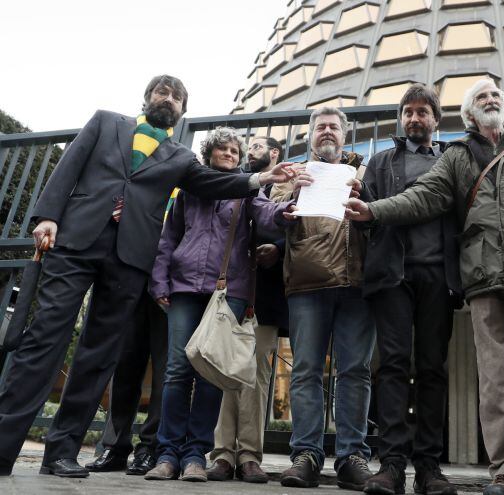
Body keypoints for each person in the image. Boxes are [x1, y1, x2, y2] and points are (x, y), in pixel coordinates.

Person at [0, 75, 295, 478]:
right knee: (45, 338)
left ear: (182, 111)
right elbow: (69, 166)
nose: (168, 99)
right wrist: (47, 215)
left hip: (130, 258)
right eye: (162, 92)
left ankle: (61, 451)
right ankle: (2, 444)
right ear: (147, 97)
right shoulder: (106, 122)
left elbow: (211, 183)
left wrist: (258, 179)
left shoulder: (180, 157)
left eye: (176, 97)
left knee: (99, 353)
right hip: (76, 240)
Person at [345, 78, 504, 495]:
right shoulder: (455, 157)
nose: (490, 100)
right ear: (467, 115)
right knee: (495, 377)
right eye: (480, 98)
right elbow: (423, 197)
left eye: (495, 95)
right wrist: (373, 210)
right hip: (484, 274)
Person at [144, 127, 292, 482]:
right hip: (183, 288)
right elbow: (169, 238)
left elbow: (269, 213)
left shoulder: (246, 189)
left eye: (233, 150)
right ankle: (167, 454)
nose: (228, 153)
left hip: (229, 290)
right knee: (177, 370)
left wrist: (290, 209)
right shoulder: (188, 191)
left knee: (211, 373)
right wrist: (159, 281)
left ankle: (196, 454)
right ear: (208, 153)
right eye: (221, 149)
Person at [355, 84, 461, 495]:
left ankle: (430, 467)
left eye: (423, 112)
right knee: (394, 366)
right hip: (393, 277)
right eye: (408, 112)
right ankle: (392, 464)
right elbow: (364, 218)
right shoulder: (379, 162)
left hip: (439, 276)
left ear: (436, 120)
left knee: (433, 368)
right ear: (401, 119)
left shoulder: (452, 161)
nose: (414, 118)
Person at [271, 107, 375, 491]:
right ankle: (307, 455)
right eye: (320, 127)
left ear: (345, 135)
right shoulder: (294, 172)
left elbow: (382, 215)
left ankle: (352, 457)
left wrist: (369, 200)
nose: (327, 132)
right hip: (307, 281)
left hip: (357, 282)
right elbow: (270, 213)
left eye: (334, 126)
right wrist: (292, 194)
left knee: (355, 372)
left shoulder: (364, 173)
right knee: (306, 371)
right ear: (310, 136)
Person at [206, 136, 288, 484]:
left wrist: (279, 248)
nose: (247, 151)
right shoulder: (235, 184)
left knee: (256, 374)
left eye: (255, 146)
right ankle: (223, 454)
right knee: (226, 369)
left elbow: (298, 228)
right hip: (233, 289)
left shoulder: (288, 182)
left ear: (274, 154)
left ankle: (250, 455)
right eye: (245, 146)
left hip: (268, 293)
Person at [85, 289, 168, 476]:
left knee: (165, 372)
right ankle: (115, 447)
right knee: (124, 365)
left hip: (174, 281)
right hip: (133, 280)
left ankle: (150, 448)